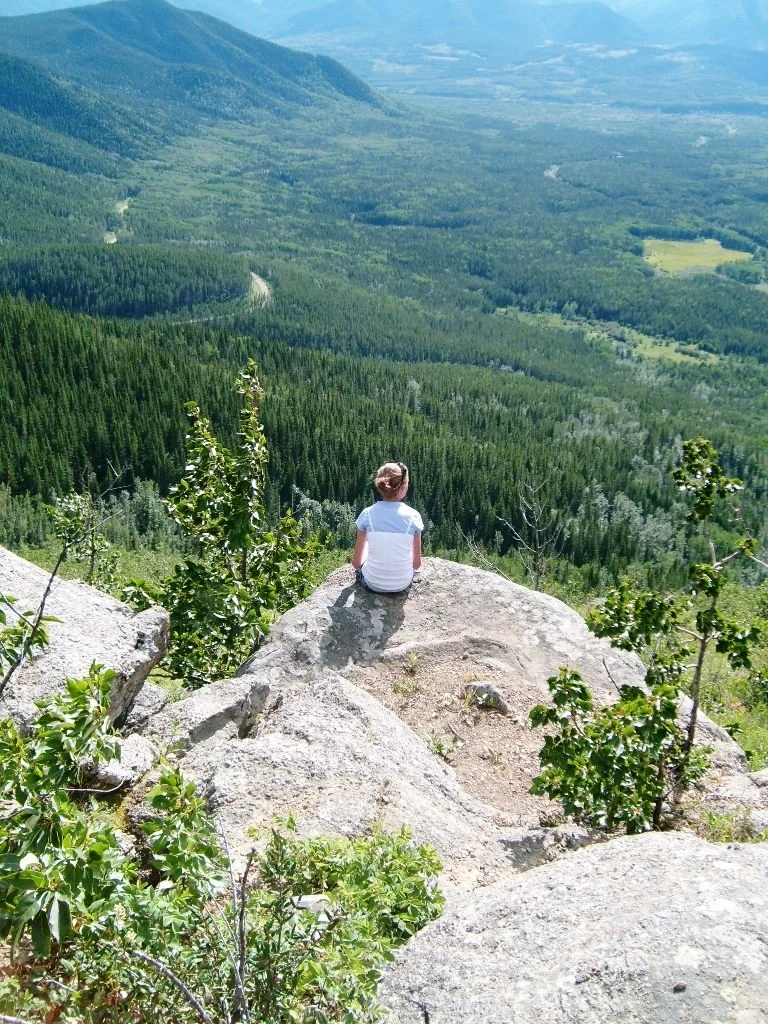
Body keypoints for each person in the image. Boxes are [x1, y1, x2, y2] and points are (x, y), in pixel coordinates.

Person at [352, 461, 423, 593]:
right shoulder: (414, 516)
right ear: (402, 487)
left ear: (380, 486)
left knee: (368, 545)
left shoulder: (367, 514)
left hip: (372, 583)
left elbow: (356, 564)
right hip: (402, 584)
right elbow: (416, 564)